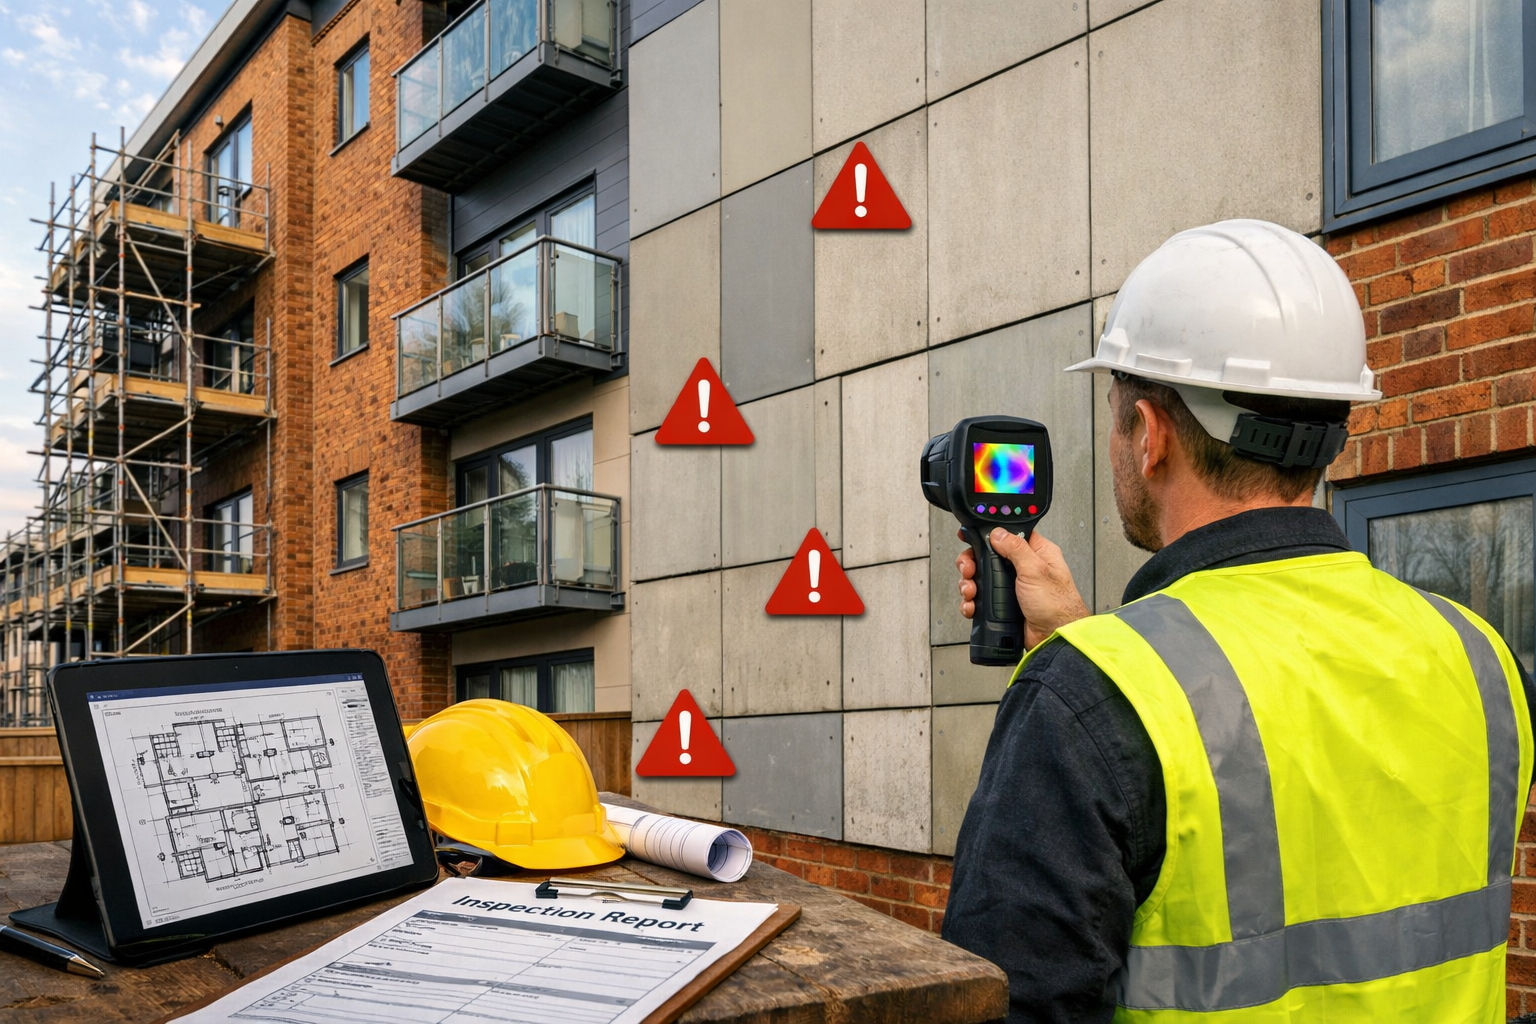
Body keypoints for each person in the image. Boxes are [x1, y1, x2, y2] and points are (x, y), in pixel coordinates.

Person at [940, 219, 1536, 1023]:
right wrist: (1078, 644)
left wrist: (1084, 677)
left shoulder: (1088, 700)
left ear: (1149, 434)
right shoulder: (1481, 657)